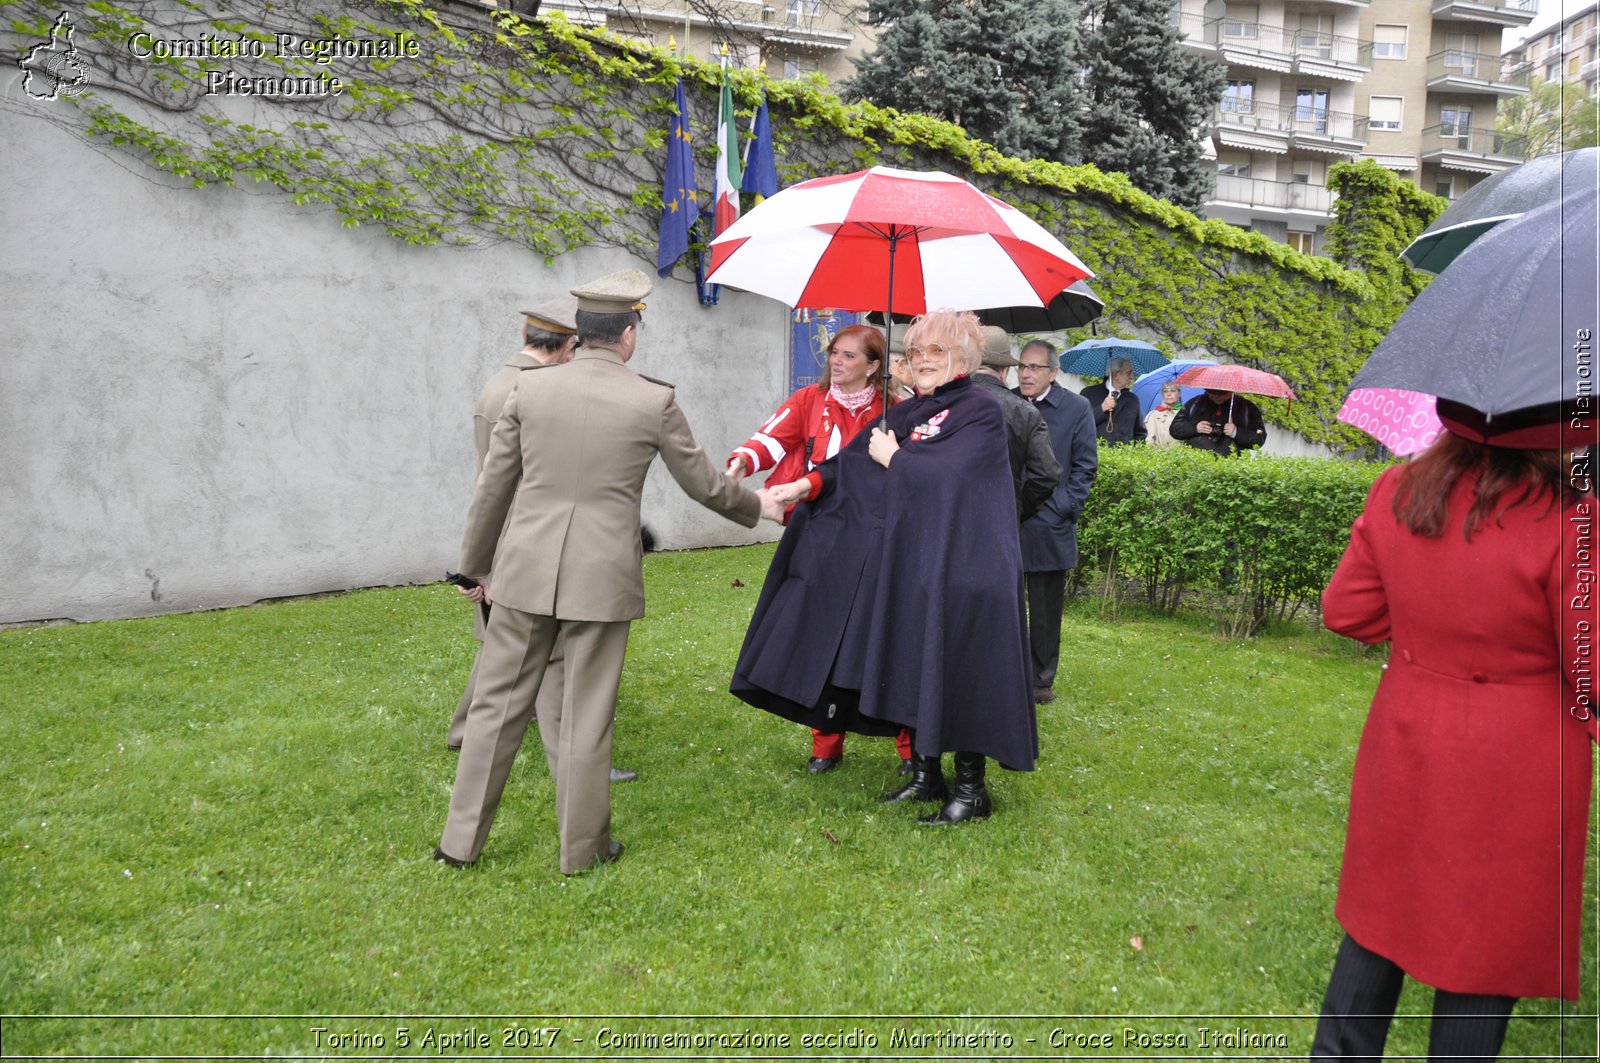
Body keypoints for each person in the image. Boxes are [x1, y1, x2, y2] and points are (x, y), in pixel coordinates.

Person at [436, 267, 782, 872]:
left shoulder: (530, 390)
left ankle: (459, 845)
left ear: (581, 331)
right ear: (629, 334)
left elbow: (493, 488)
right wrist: (760, 507)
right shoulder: (652, 400)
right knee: (586, 715)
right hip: (601, 579)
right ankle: (582, 850)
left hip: (520, 573)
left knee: (493, 709)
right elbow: (704, 485)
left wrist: (473, 567)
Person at [1310, 417, 1596, 1059]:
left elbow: (1348, 610)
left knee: (1380, 919)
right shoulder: (1571, 519)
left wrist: (1425, 624)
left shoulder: (1398, 490)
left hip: (1408, 735)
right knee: (1483, 950)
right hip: (1517, 763)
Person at [735, 310, 1036, 826]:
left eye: (935, 352)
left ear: (963, 356)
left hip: (967, 565)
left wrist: (897, 459)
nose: (921, 361)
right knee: (915, 659)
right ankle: (925, 774)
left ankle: (971, 788)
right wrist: (797, 487)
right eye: (915, 352)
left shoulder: (981, 411)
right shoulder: (905, 413)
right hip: (916, 562)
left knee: (961, 667)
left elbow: (954, 479)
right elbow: (849, 465)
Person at [444, 301, 640, 786]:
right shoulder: (527, 388)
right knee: (553, 664)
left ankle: (467, 731)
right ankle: (581, 768)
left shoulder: (508, 380)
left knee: (507, 648)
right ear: (569, 346)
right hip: (531, 546)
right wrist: (485, 566)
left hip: (518, 542)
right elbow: (512, 486)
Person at [726, 323, 910, 775]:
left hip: (876, 538)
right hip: (819, 532)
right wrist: (742, 461)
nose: (837, 361)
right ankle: (825, 744)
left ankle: (910, 750)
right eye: (835, 352)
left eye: (850, 356)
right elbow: (772, 437)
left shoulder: (896, 412)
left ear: (873, 366)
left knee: (882, 637)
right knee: (816, 635)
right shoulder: (809, 400)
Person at [1014, 339, 1098, 705]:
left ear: (1053, 372)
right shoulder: (1006, 401)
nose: (1027, 373)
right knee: (1004, 602)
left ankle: (1040, 679)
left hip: (1049, 523)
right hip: (1005, 519)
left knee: (1046, 609)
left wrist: (1062, 507)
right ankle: (1005, 669)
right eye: (1022, 366)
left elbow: (1084, 467)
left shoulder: (1076, 407)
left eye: (1035, 367)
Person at [969, 326, 1061, 523]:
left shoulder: (945, 401)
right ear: (1004, 371)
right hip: (1002, 518)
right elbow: (1047, 475)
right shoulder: (1025, 411)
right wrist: (1018, 507)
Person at [1169, 387, 1266, 456]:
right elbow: (1174, 429)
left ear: (1231, 390)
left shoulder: (1247, 408)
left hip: (1231, 467)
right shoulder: (1195, 403)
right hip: (1196, 464)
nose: (1216, 396)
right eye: (1212, 393)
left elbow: (1259, 439)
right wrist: (1195, 428)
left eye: (1221, 393)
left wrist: (1236, 432)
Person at [1079, 355, 1146, 445]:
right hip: (1093, 455)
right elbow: (1080, 424)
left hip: (1124, 457)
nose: (1131, 377)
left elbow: (1140, 434)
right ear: (1116, 375)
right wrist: (1101, 409)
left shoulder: (1133, 400)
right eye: (1128, 373)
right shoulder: (1088, 393)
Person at [1143, 381, 1185, 447]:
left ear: (1179, 394)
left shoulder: (1186, 413)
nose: (1169, 394)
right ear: (1162, 394)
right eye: (1165, 391)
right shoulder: (1153, 415)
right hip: (1161, 455)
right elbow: (1149, 441)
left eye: (1173, 391)